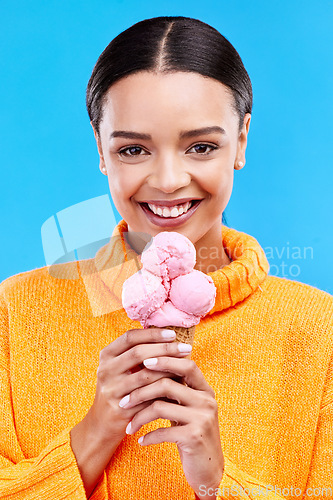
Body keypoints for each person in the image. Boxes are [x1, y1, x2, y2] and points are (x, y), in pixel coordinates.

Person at [0, 15, 332, 500]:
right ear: (100, 149)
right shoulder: (15, 313)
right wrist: (95, 432)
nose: (170, 179)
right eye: (134, 149)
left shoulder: (319, 331)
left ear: (240, 141)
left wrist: (219, 483)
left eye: (201, 146)